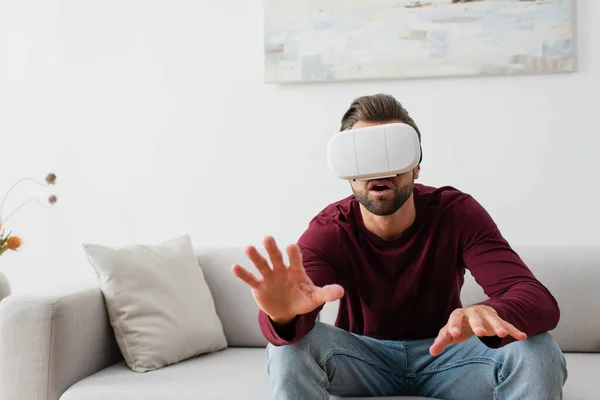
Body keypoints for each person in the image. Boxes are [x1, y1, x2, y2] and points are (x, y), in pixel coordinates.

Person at [231, 93, 567, 400]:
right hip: (361, 360)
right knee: (287, 349)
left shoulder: (456, 213)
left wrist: (495, 310)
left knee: (537, 349)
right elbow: (294, 319)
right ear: (348, 172)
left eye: (394, 153)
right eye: (365, 156)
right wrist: (284, 315)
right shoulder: (329, 230)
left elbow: (539, 302)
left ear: (416, 165)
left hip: (447, 356)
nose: (381, 169)